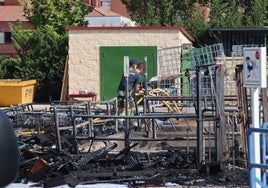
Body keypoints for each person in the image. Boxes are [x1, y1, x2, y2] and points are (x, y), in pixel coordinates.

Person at [117, 60, 144, 127]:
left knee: (130, 107)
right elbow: (136, 89)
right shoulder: (137, 75)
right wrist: (140, 91)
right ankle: (119, 121)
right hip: (126, 93)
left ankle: (133, 123)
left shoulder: (125, 72)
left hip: (120, 92)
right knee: (127, 108)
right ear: (141, 69)